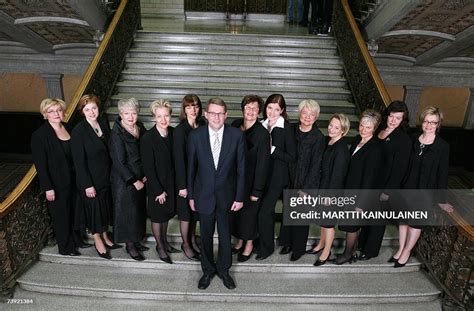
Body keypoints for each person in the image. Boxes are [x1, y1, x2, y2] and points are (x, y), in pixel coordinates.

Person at [187, 97, 245, 290]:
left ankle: (224, 270)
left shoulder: (236, 136)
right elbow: (191, 169)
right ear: (206, 114)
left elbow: (241, 170)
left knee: (225, 235)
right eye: (212, 113)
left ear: (226, 115)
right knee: (204, 236)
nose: (216, 117)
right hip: (203, 196)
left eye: (220, 113)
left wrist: (239, 197)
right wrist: (192, 196)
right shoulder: (195, 136)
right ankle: (207, 271)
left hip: (227, 198)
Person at [390, 106, 452, 268]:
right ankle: (401, 248)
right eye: (426, 121)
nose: (429, 125)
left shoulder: (442, 146)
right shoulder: (412, 139)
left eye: (433, 122)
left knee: (415, 223)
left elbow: (442, 174)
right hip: (406, 187)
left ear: (438, 125)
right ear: (422, 122)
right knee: (403, 220)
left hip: (424, 192)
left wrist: (442, 199)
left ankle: (407, 251)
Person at [357, 101, 411, 261]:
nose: (393, 120)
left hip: (384, 185)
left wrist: (387, 191)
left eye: (398, 118)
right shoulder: (379, 130)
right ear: (387, 115)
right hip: (370, 181)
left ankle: (370, 250)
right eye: (391, 116)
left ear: (403, 120)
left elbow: (399, 170)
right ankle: (361, 244)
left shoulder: (403, 139)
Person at [71, 94, 121, 260]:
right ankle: (97, 239)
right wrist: (87, 185)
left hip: (105, 177)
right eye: (87, 109)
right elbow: (79, 162)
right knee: (94, 211)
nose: (91, 112)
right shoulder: (78, 131)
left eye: (94, 108)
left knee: (105, 208)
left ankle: (105, 235)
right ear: (82, 111)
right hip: (90, 180)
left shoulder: (103, 123)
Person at [31, 98, 80, 256]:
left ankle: (76, 240)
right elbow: (41, 166)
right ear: (45, 114)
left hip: (73, 179)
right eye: (51, 111)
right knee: (61, 215)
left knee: (73, 210)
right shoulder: (40, 135)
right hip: (56, 183)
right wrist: (48, 188)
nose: (56, 114)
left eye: (58, 110)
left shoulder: (68, 127)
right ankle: (66, 247)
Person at [279, 99, 325, 261]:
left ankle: (298, 249)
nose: (308, 117)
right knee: (288, 213)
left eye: (312, 114)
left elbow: (316, 165)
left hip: (305, 181)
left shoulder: (318, 137)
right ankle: (287, 243)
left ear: (316, 116)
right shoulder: (291, 129)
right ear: (299, 113)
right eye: (305, 113)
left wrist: (306, 189)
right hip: (289, 179)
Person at [336, 109, 382, 265]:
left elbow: (369, 179)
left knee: (351, 226)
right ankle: (351, 251)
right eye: (362, 125)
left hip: (360, 194)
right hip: (350, 189)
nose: (363, 129)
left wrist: (361, 204)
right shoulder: (357, 139)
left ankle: (347, 254)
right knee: (350, 226)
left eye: (368, 127)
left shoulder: (375, 148)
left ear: (374, 129)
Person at [256, 94, 297, 260]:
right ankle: (262, 242)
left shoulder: (286, 128)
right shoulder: (260, 125)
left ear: (282, 111)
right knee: (266, 211)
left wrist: (272, 149)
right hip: (261, 176)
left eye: (277, 109)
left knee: (264, 212)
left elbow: (292, 157)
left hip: (277, 177)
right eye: (270, 107)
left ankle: (266, 248)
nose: (272, 112)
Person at [230, 95, 270, 262]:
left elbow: (263, 164)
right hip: (234, 181)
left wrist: (257, 190)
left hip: (252, 182)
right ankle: (239, 241)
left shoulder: (262, 134)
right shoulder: (234, 125)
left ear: (259, 112)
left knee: (249, 216)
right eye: (248, 107)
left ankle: (249, 245)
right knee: (237, 214)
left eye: (255, 108)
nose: (251, 111)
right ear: (243, 109)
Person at [307, 113, 351, 266]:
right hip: (324, 188)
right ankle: (321, 244)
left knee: (328, 223)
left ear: (343, 130)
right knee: (323, 220)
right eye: (331, 125)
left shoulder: (341, 149)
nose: (332, 129)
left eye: (336, 127)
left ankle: (326, 252)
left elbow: (338, 176)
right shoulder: (329, 141)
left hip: (332, 192)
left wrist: (330, 196)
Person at [109, 97, 148, 261]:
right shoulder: (116, 133)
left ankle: (136, 240)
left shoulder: (140, 127)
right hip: (124, 181)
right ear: (120, 114)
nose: (131, 117)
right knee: (127, 213)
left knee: (138, 211)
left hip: (141, 177)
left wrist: (145, 174)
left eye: (133, 113)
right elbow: (119, 162)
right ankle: (130, 246)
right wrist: (134, 180)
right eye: (126, 113)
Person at [141, 100, 178, 264]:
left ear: (170, 116)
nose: (163, 120)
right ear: (154, 117)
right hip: (157, 186)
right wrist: (157, 191)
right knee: (157, 217)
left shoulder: (173, 133)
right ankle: (160, 246)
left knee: (166, 216)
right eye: (159, 116)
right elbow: (148, 168)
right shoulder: (148, 138)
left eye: (166, 116)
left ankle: (165, 242)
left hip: (171, 183)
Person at [173, 94, 204, 262]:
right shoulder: (180, 130)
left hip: (200, 178)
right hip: (186, 179)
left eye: (196, 106)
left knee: (195, 212)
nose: (193, 110)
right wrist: (182, 185)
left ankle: (192, 240)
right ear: (184, 109)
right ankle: (186, 244)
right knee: (185, 214)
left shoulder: (203, 125)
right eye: (189, 107)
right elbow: (178, 160)